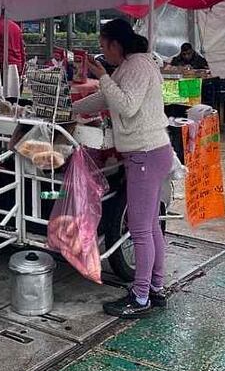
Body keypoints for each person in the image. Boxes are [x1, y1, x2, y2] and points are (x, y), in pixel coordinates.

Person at [73, 19, 172, 318]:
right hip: (152, 152)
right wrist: (69, 107)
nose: (103, 53)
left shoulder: (139, 66)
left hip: (145, 154)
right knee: (151, 225)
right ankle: (155, 287)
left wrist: (103, 76)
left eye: (104, 46)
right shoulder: (132, 66)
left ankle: (141, 296)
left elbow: (126, 105)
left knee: (141, 230)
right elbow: (107, 97)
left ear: (116, 44)